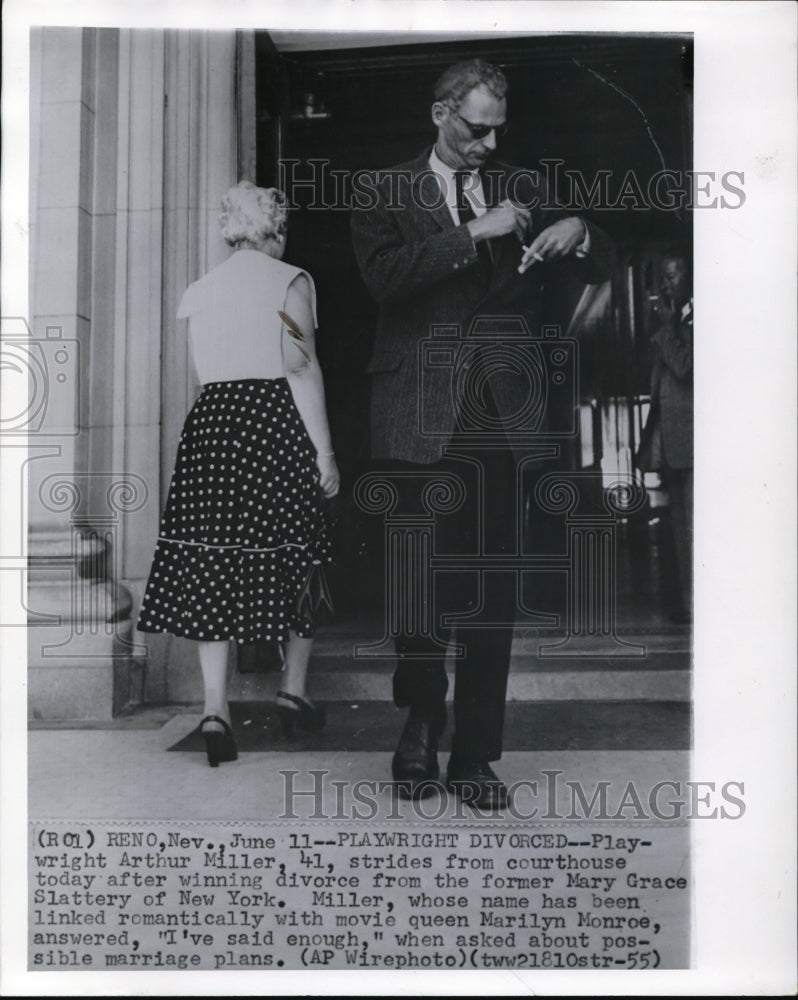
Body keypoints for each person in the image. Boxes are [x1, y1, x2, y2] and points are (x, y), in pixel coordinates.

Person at [350, 59, 613, 809]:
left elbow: (608, 257)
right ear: (441, 114)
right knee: (418, 581)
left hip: (499, 414)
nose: (489, 144)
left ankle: (472, 754)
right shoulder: (381, 190)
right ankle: (420, 717)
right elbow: (383, 278)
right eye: (475, 128)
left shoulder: (525, 185)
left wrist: (578, 228)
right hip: (413, 410)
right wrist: (473, 230)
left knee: (493, 586)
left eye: (499, 129)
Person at [138, 180, 340, 766]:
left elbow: (198, 375)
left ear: (231, 230)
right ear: (275, 230)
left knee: (211, 560)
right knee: (301, 552)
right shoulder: (289, 280)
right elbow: (300, 367)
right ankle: (293, 691)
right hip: (272, 422)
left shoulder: (198, 290)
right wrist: (324, 452)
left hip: (212, 428)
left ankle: (213, 709)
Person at [639, 253, 694, 623]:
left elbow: (686, 367)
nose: (665, 285)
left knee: (692, 528)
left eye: (672, 277)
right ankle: (689, 603)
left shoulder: (696, 320)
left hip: (692, 443)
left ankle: (697, 603)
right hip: (675, 442)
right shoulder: (677, 318)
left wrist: (665, 329)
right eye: (663, 277)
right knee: (679, 530)